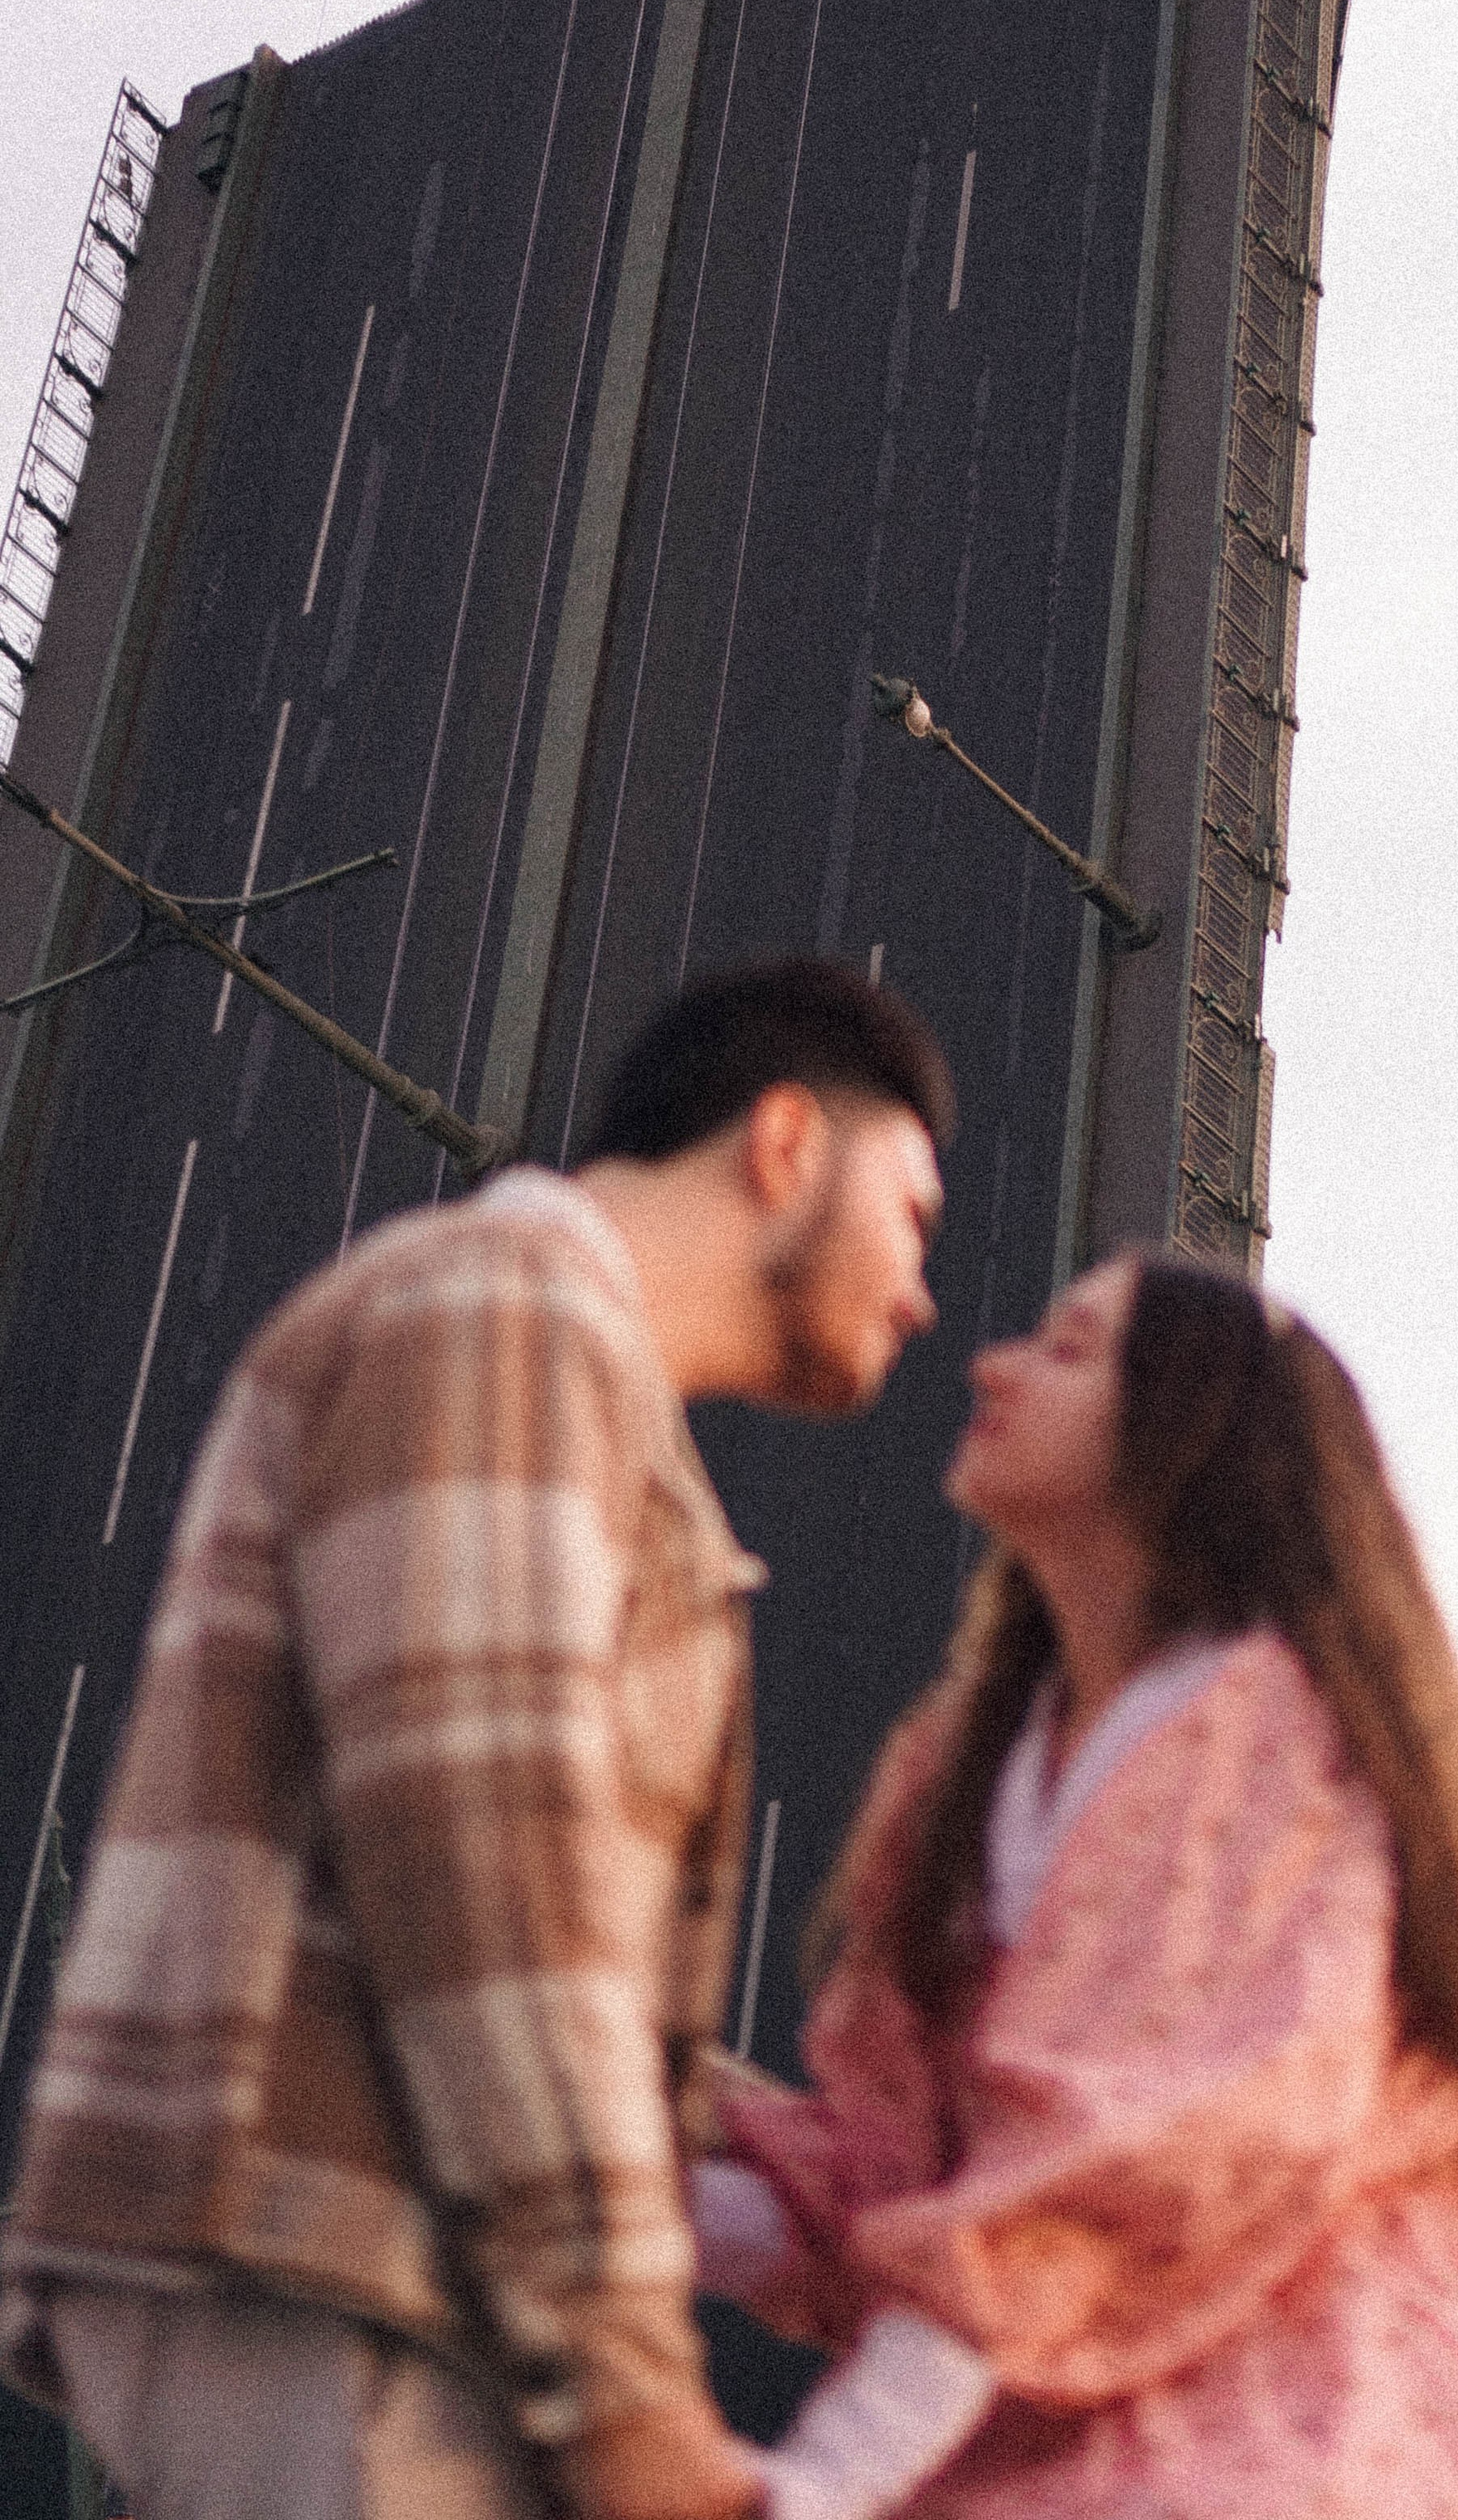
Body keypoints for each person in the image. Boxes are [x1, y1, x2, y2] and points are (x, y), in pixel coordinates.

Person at [2, 957, 954, 2520]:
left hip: (376, 2258)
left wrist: (800, 2167)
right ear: (785, 1144)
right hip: (344, 2265)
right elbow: (485, 1868)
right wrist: (626, 2385)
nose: (921, 1293)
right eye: (911, 1216)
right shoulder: (506, 1312)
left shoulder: (562, 1370)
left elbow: (508, 1892)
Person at [694, 1251, 1458, 2520]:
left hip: (1343, 2358)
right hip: (1085, 2365)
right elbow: (912, 2170)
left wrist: (825, 2482)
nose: (990, 1363)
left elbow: (1140, 2154)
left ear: (1182, 1436)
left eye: (1070, 1350)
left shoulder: (1258, 1729)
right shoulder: (958, 1765)